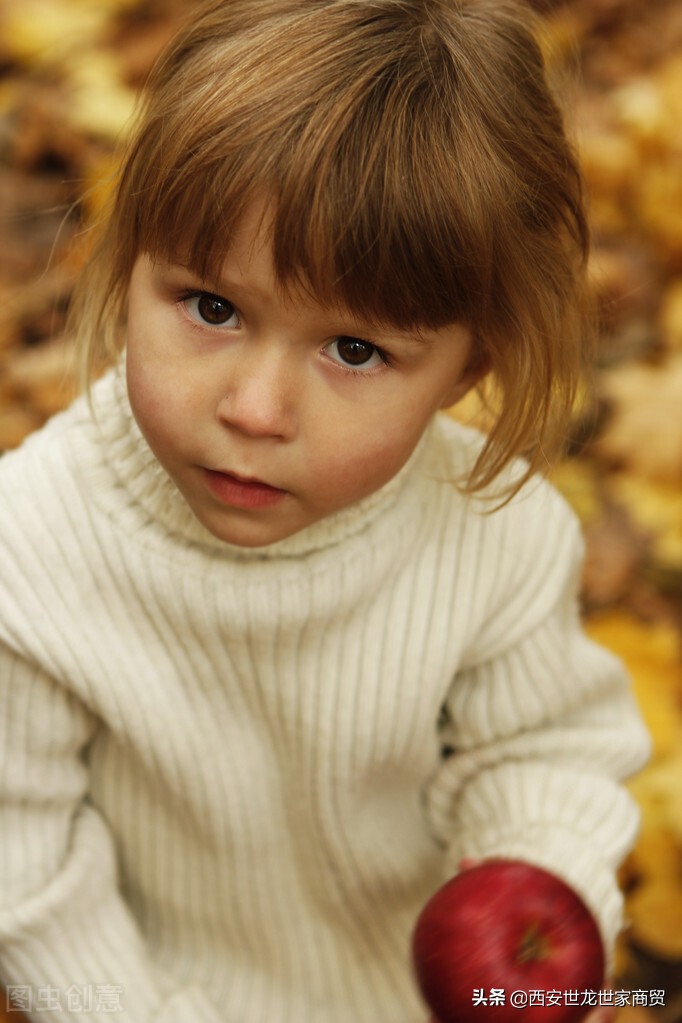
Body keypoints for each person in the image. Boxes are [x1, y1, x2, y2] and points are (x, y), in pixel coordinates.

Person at [0, 1, 650, 1021]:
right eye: (211, 308)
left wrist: (536, 875)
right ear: (125, 264)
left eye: (354, 351)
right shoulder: (31, 555)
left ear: (462, 366)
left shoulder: (492, 534)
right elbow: (21, 868)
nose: (254, 411)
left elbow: (542, 748)